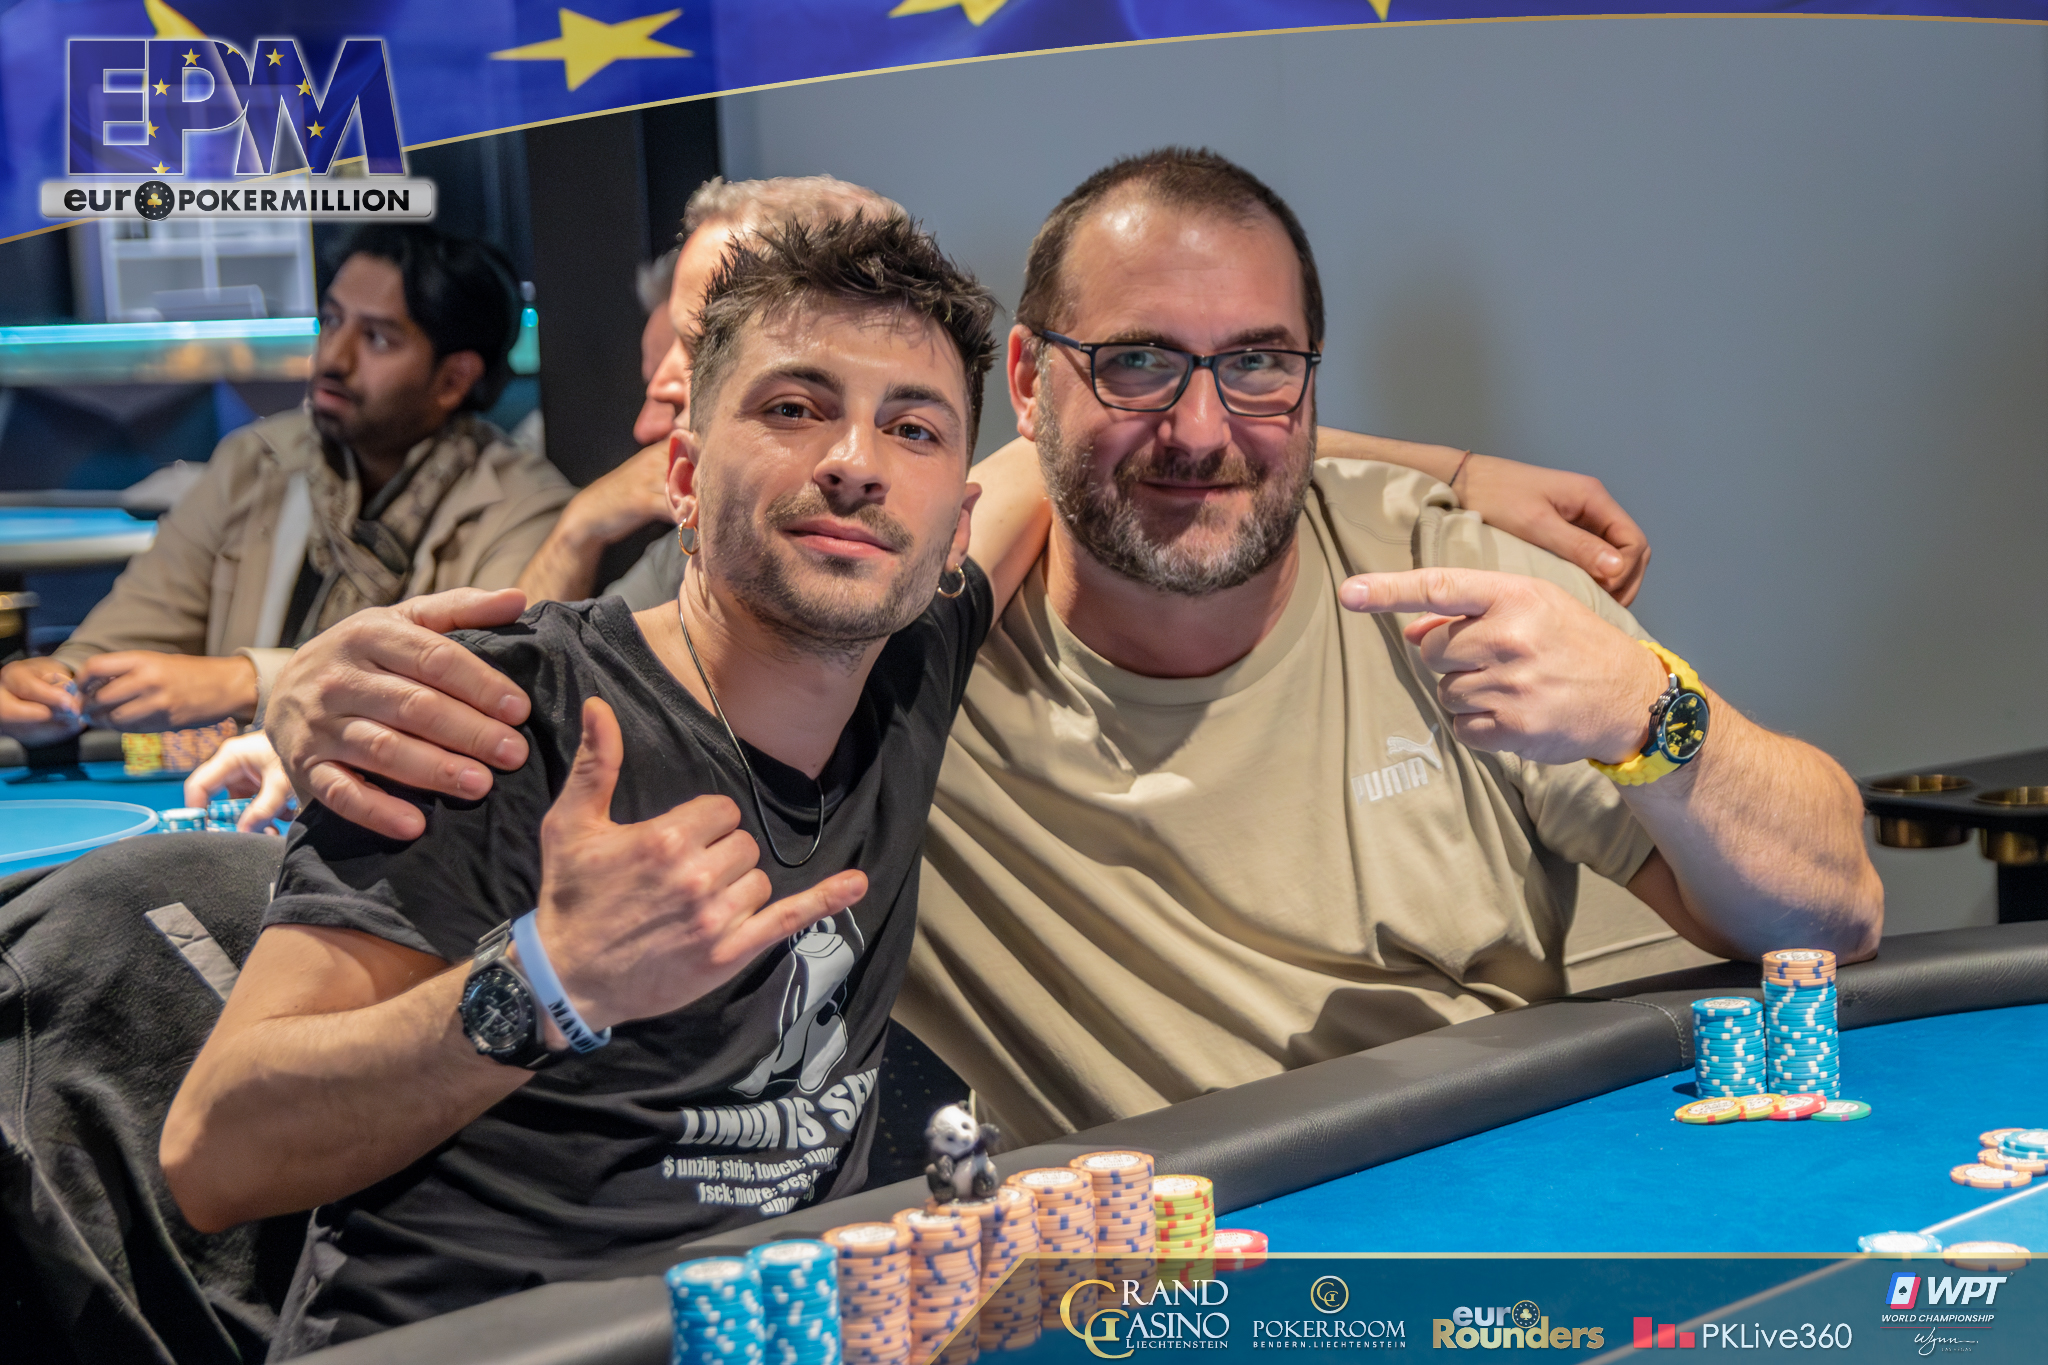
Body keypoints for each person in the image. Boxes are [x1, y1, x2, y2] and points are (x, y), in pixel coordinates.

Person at [256, 152, 1877, 1147]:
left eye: (1261, 367)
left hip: (1504, 1195)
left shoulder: (1445, 575)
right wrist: (305, 689)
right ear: (1028, 382)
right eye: (1137, 365)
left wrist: (1652, 713)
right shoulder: (892, 650)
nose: (1201, 426)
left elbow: (1837, 905)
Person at [160, 214, 1046, 1350]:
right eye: (793, 408)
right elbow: (214, 1154)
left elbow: (1084, 431)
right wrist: (548, 981)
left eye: (912, 428)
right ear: (683, 476)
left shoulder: (909, 661)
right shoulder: (495, 716)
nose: (856, 461)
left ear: (954, 530)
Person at [0, 224, 570, 747]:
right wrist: (53, 686)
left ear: (453, 379)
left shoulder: (523, 504)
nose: (334, 358)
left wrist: (245, 682)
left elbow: (474, 693)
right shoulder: (255, 461)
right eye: (333, 321)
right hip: (232, 800)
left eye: (377, 339)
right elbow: (118, 640)